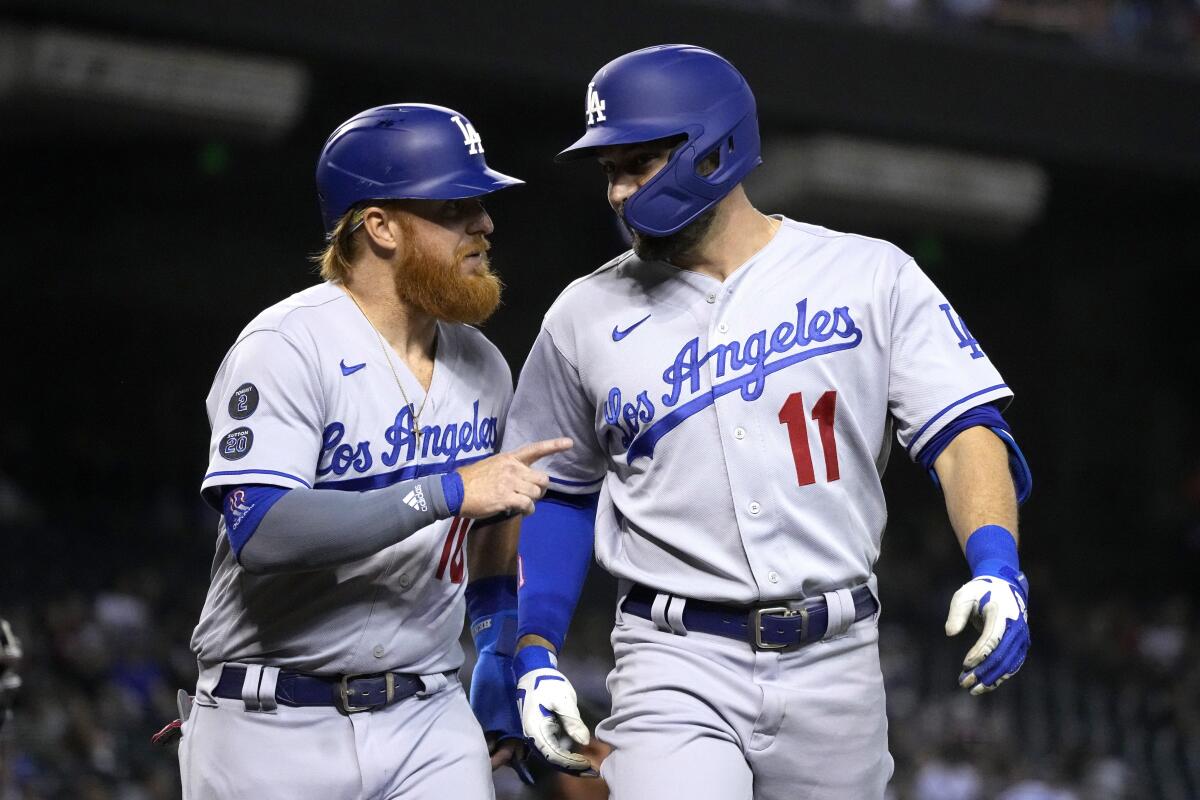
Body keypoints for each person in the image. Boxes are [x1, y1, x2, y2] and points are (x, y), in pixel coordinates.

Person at [507, 45, 1033, 799]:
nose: (620, 193)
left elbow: (963, 433)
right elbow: (555, 489)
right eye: (609, 172)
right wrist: (535, 646)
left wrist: (997, 565)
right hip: (673, 656)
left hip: (837, 661)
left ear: (716, 151)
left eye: (638, 164)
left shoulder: (867, 275)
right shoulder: (582, 316)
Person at [178, 103, 568, 799]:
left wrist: (496, 653)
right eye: (456, 206)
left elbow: (492, 521)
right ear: (380, 226)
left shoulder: (483, 364)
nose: (484, 224)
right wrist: (444, 491)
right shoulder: (288, 345)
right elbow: (262, 531)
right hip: (271, 721)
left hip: (428, 715)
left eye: (481, 204)